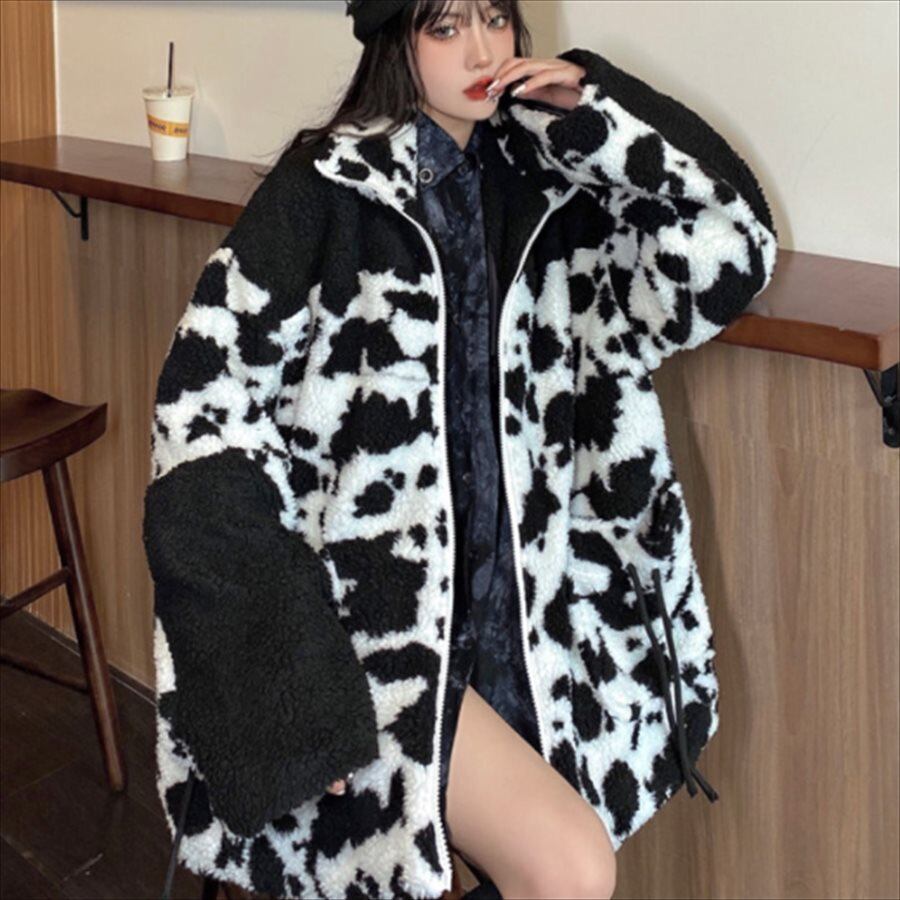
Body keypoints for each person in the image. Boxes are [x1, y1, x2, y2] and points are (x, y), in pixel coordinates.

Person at [143, 2, 778, 899]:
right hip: (376, 627)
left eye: (495, 18)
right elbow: (201, 415)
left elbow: (730, 252)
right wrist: (284, 663)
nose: (481, 51)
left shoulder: (556, 183)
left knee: (562, 865)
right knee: (570, 870)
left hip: (542, 614)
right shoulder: (324, 191)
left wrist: (597, 108)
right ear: (396, 43)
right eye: (445, 28)